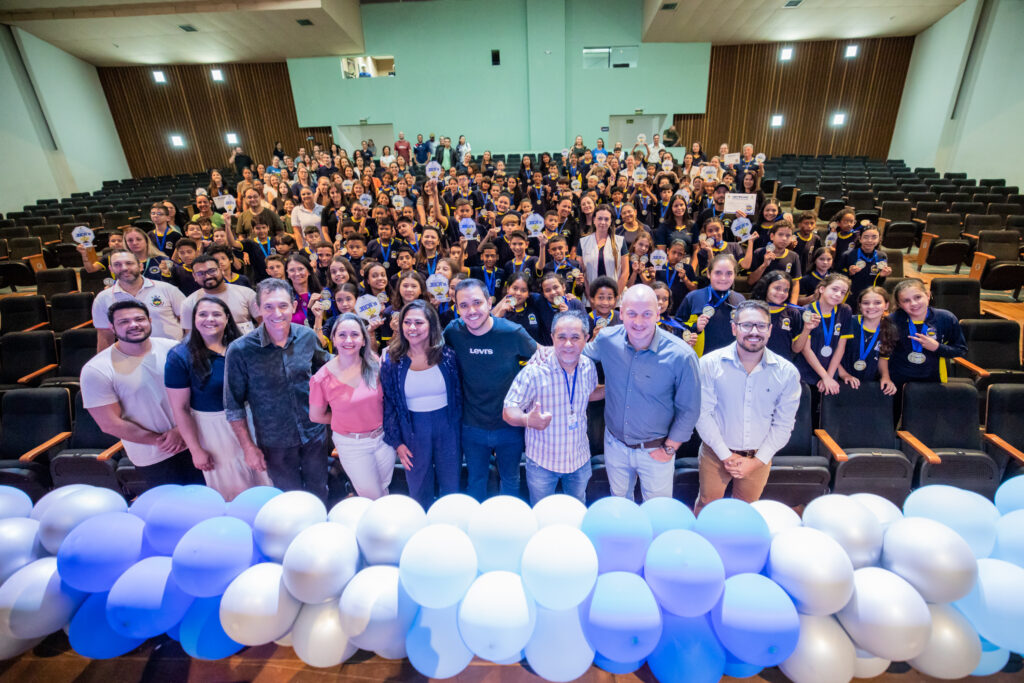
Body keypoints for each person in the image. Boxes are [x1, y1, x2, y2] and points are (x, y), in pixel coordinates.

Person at [584, 284, 701, 500]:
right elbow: (576, 353)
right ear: (621, 313)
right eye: (632, 314)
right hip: (615, 445)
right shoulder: (607, 339)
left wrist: (669, 448)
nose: (638, 322)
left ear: (658, 314)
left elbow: (690, 409)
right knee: (620, 505)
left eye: (647, 314)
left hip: (656, 450)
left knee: (657, 510)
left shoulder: (682, 355)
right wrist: (543, 353)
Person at [224, 279, 331, 500]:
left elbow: (328, 371)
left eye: (283, 306)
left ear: (294, 306)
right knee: (289, 497)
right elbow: (233, 406)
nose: (277, 313)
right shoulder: (240, 350)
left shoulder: (307, 337)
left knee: (320, 489)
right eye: (269, 307)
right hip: (275, 442)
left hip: (314, 434)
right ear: (258, 308)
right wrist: (248, 447)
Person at [694, 300, 801, 513]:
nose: (754, 332)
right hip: (715, 452)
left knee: (745, 510)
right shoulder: (709, 364)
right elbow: (702, 415)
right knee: (707, 506)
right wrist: (726, 455)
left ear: (770, 330)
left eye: (761, 326)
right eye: (746, 325)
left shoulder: (787, 372)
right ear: (734, 328)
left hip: (758, 456)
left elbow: (784, 425)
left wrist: (756, 462)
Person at [81, 301, 199, 488]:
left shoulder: (174, 348)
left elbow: (199, 391)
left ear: (150, 321)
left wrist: (180, 431)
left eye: (139, 319)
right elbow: (110, 423)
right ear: (112, 327)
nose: (133, 325)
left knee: (213, 497)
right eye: (124, 322)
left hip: (197, 440)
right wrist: (159, 441)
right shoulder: (96, 369)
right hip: (154, 455)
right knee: (174, 504)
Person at [165, 297, 272, 500]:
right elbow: (180, 409)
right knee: (233, 485)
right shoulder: (180, 356)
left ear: (227, 317)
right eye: (203, 314)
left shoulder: (241, 346)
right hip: (214, 428)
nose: (210, 319)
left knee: (265, 476)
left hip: (250, 418)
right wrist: (195, 450)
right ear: (194, 319)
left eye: (216, 314)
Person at [444, 279, 538, 500]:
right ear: (457, 308)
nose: (471, 310)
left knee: (511, 480)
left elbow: (542, 355)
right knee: (476, 481)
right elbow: (428, 353)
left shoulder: (512, 332)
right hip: (472, 426)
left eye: (477, 302)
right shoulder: (453, 332)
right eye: (464, 305)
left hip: (509, 425)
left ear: (489, 302)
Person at [504, 311, 603, 504]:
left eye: (575, 337)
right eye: (562, 337)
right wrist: (526, 420)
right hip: (542, 462)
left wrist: (614, 389)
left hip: (579, 460)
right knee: (542, 511)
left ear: (586, 339)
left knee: (577, 510)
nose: (568, 344)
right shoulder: (534, 371)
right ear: (552, 338)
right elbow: (508, 410)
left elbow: (588, 394)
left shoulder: (588, 366)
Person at [381, 301, 463, 508]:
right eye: (407, 322)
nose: (412, 328)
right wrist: (397, 442)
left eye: (418, 322)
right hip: (413, 430)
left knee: (451, 487)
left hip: (448, 428)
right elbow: (389, 403)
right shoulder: (392, 361)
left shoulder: (448, 356)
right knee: (418, 489)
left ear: (431, 325)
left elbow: (459, 395)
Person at [308, 313, 396, 500]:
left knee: (383, 488)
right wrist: (346, 419)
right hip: (352, 445)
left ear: (363, 340)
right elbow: (316, 415)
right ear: (333, 339)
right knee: (373, 496)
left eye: (355, 334)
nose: (348, 340)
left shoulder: (374, 363)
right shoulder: (322, 378)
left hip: (384, 439)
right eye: (342, 335)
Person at [92, 249, 185, 351]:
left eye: (129, 263)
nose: (124, 268)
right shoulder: (103, 298)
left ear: (140, 266)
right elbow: (105, 336)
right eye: (117, 264)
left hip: (173, 353)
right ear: (111, 269)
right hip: (131, 356)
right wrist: (103, 360)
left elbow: (189, 323)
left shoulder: (167, 289)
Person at [887, 279, 967, 389]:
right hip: (898, 381)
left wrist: (937, 347)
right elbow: (883, 354)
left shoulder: (946, 318)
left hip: (933, 380)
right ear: (899, 304)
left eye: (918, 297)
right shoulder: (892, 320)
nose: (914, 303)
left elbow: (961, 350)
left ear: (928, 295)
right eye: (906, 300)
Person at [179, 254, 261, 336]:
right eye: (200, 273)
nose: (207, 276)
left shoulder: (246, 293)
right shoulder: (188, 303)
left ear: (221, 270)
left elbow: (263, 322)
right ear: (194, 276)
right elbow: (190, 336)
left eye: (211, 271)